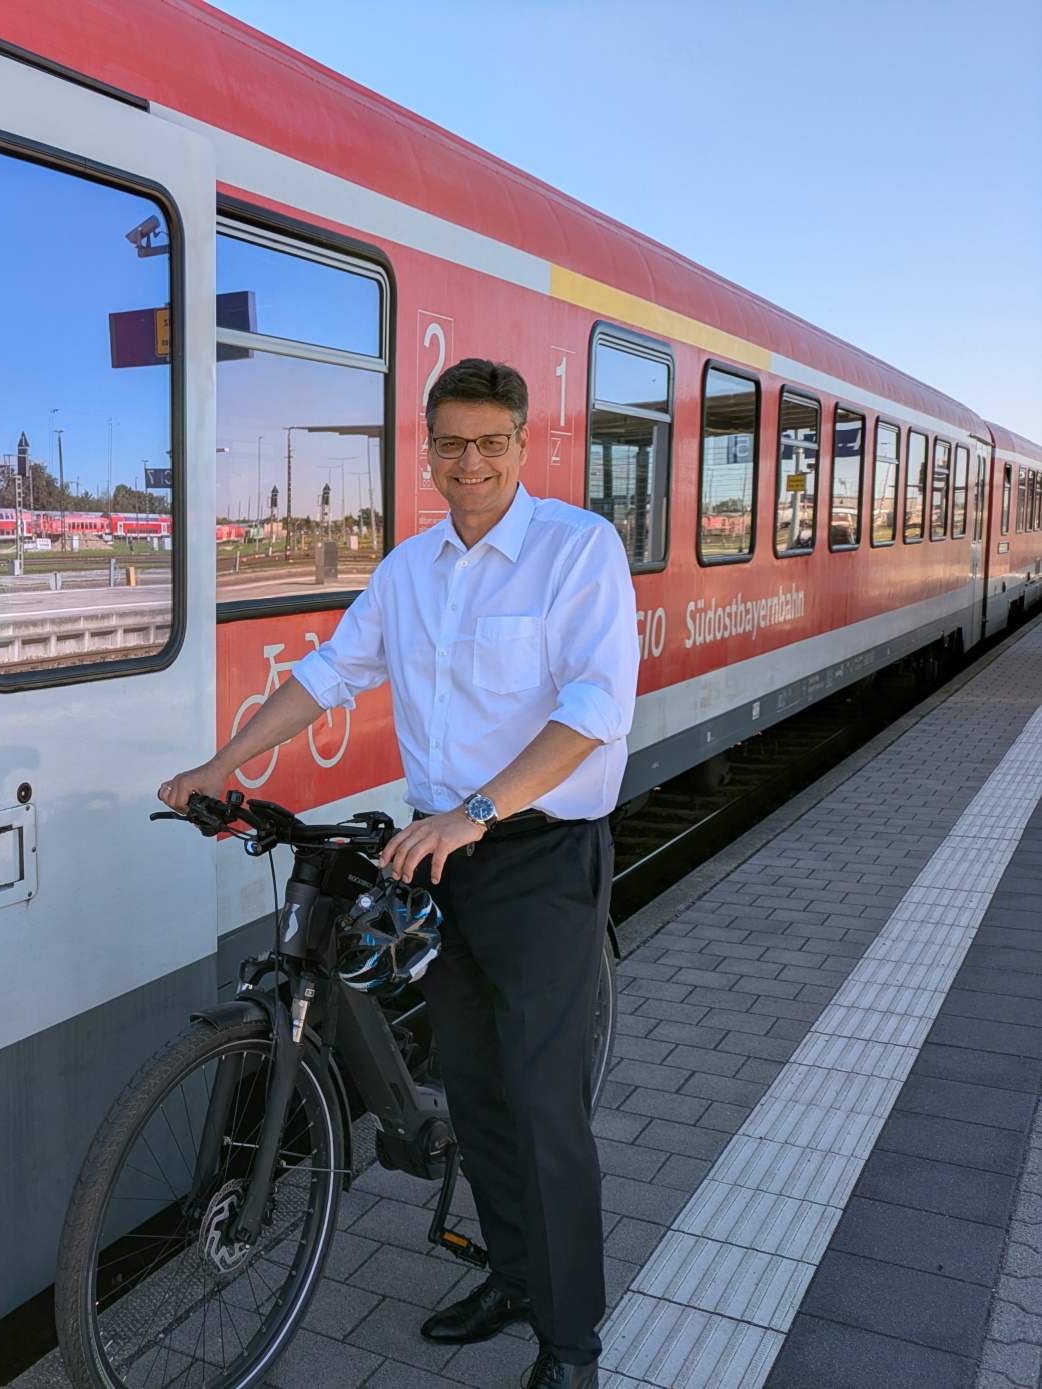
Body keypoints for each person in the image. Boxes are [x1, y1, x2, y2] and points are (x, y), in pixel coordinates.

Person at [159, 358, 637, 1389]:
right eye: (451, 444)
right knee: (471, 1088)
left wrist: (475, 813)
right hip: (439, 859)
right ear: (426, 450)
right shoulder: (411, 567)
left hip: (537, 856)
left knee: (539, 1098)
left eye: (490, 443)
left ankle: (571, 1346)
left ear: (521, 446)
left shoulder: (574, 550)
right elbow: (328, 674)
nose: (470, 462)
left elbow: (594, 713)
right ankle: (514, 1272)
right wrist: (218, 766)